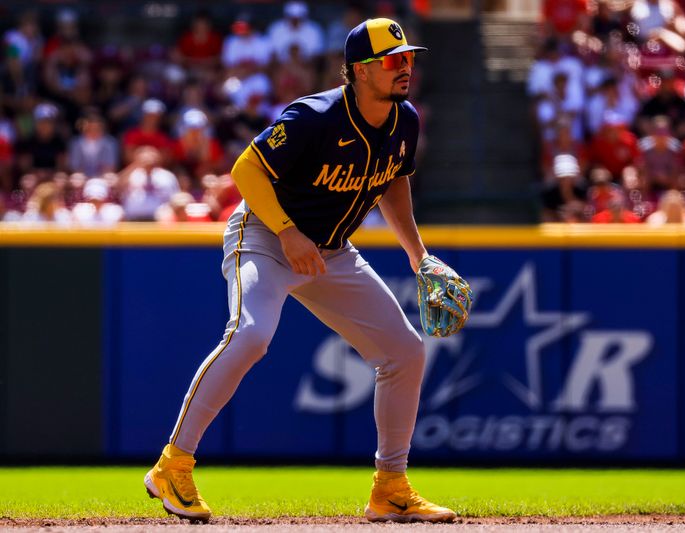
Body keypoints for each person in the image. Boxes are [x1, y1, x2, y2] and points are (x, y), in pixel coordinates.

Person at [144, 18, 459, 524]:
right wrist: (288, 231)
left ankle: (390, 487)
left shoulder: (405, 120)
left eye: (409, 58)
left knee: (405, 351)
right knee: (250, 336)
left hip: (331, 251)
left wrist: (417, 254)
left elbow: (395, 181)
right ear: (359, 71)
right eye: (393, 60)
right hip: (267, 237)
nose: (405, 68)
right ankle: (172, 465)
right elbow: (246, 168)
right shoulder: (316, 115)